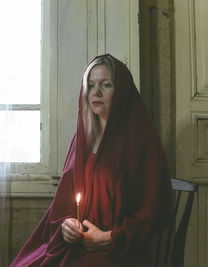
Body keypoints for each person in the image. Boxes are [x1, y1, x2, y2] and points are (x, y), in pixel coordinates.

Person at [10, 54, 172, 266]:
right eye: (91, 85)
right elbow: (64, 202)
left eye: (106, 85)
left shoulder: (142, 141)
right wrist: (67, 224)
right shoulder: (82, 139)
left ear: (121, 91)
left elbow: (153, 211)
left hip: (120, 251)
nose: (96, 92)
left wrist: (110, 238)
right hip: (77, 245)